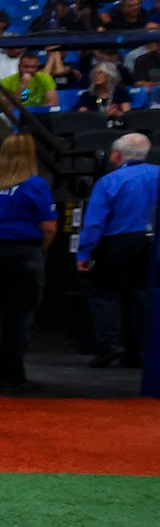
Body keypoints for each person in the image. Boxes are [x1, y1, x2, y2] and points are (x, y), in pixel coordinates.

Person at [0, 134, 54, 392]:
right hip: (23, 255)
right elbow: (49, 227)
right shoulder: (34, 184)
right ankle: (12, 377)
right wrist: (40, 253)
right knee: (18, 318)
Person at [77, 133, 158, 369]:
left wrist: (85, 253)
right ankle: (138, 350)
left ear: (117, 155)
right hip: (152, 240)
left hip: (118, 240)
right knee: (139, 294)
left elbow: (94, 222)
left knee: (103, 293)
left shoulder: (111, 181)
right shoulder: (158, 174)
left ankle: (110, 345)